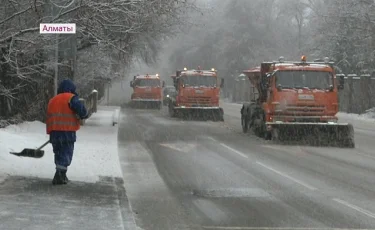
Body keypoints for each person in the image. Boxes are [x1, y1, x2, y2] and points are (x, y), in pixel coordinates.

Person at [46, 79, 88, 185]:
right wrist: (83, 115)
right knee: (66, 153)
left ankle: (62, 175)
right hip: (67, 131)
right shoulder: (71, 98)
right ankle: (59, 176)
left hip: (54, 131)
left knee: (58, 153)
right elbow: (82, 111)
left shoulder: (53, 99)